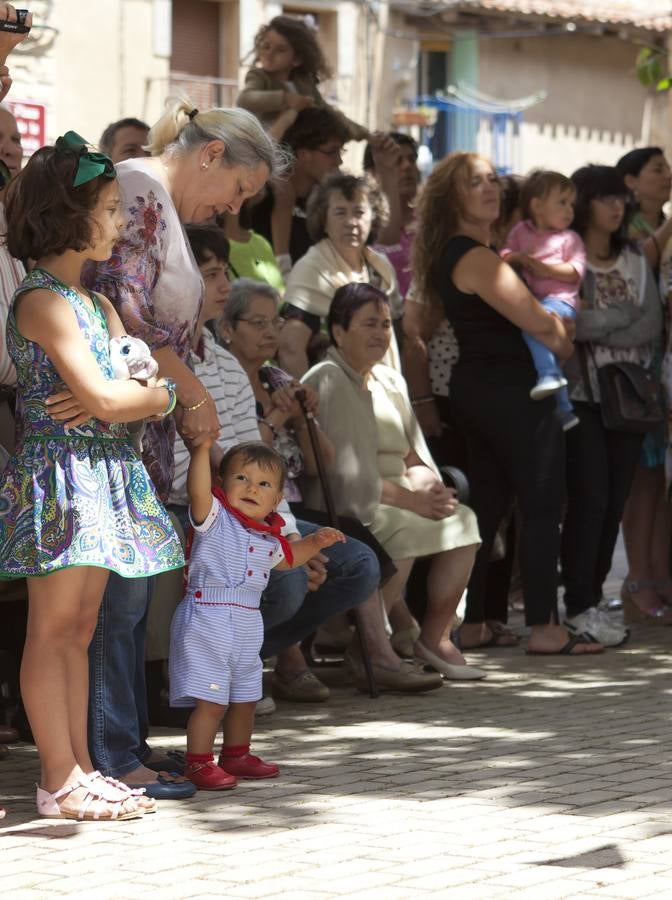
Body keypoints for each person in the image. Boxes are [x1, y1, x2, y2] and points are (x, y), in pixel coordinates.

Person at [83, 97, 287, 799]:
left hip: (143, 431)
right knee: (117, 599)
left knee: (129, 600)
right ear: (209, 155)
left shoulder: (155, 197)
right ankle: (111, 754)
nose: (234, 208)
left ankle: (125, 744)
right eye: (239, 188)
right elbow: (122, 306)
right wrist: (192, 393)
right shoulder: (139, 188)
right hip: (113, 430)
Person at [0, 133, 185, 820]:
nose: (118, 222)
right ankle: (58, 777)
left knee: (79, 626)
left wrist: (144, 396)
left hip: (100, 474)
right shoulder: (42, 302)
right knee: (51, 628)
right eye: (108, 208)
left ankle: (79, 767)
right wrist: (139, 397)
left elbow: (138, 394)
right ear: (67, 216)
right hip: (60, 478)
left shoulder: (99, 306)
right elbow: (116, 399)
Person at [169, 228, 440, 695]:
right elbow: (210, 471)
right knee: (292, 575)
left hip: (266, 508)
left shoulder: (254, 374)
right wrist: (277, 540)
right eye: (211, 275)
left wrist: (288, 532)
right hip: (207, 509)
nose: (223, 285)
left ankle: (246, 656)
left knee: (357, 561)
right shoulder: (169, 359)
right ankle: (229, 669)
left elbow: (305, 465)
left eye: (275, 322)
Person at [413, 151, 601, 656]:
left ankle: (476, 622)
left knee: (489, 507)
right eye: (476, 182)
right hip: (511, 393)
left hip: (482, 392)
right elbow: (540, 324)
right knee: (541, 506)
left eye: (494, 180)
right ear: (453, 196)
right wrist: (562, 338)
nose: (491, 188)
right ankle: (544, 627)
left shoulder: (471, 250)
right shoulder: (473, 256)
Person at [302, 283, 484, 679]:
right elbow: (346, 476)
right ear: (338, 331)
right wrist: (413, 502)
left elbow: (414, 455)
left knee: (463, 520)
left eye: (386, 324)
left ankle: (433, 637)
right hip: (351, 505)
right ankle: (371, 646)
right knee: (400, 530)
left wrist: (430, 490)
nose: (381, 333)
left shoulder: (390, 380)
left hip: (399, 496)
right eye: (369, 324)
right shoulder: (327, 377)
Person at [171, 440, 345, 790]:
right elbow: (198, 490)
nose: (252, 488)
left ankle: (237, 754)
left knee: (247, 694)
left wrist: (315, 543)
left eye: (264, 484)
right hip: (209, 616)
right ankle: (198, 762)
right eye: (241, 477)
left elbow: (287, 560)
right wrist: (201, 450)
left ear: (278, 498)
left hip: (248, 621)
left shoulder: (268, 535)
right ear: (221, 484)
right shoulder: (214, 517)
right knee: (212, 698)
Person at [561, 165, 666, 636]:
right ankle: (579, 601)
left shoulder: (633, 257)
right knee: (589, 498)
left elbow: (650, 325)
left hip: (630, 397)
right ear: (585, 202)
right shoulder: (566, 256)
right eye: (606, 197)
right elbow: (569, 325)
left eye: (619, 197)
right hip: (582, 395)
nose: (617, 205)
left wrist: (602, 320)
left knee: (614, 501)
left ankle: (596, 597)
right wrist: (616, 317)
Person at [615, 147, 672, 615]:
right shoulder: (627, 231)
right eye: (657, 170)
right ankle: (637, 582)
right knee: (642, 478)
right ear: (630, 181)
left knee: (657, 481)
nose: (668, 176)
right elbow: (638, 269)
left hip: (661, 362)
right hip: (636, 368)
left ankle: (655, 576)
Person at [279, 172, 401, 378]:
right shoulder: (311, 269)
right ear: (323, 221)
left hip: (383, 390)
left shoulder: (381, 268)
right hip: (335, 395)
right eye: (340, 212)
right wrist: (309, 404)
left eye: (359, 212)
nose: (351, 222)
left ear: (374, 217)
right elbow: (291, 348)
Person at [501, 170, 586, 431]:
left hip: (561, 300)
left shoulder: (569, 238)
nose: (569, 210)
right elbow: (503, 253)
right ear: (537, 206)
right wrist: (517, 258)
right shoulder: (520, 231)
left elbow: (577, 271)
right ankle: (564, 409)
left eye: (571, 204)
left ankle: (548, 376)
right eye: (562, 202)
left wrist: (548, 270)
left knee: (534, 329)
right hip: (538, 301)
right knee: (539, 336)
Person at [237, 15, 367, 142]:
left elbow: (327, 112)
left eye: (280, 50)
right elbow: (245, 99)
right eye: (266, 46)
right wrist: (286, 99)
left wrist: (364, 133)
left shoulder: (304, 83)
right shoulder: (258, 76)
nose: (270, 54)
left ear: (297, 59)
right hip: (268, 150)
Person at [249, 106, 351, 269]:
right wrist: (288, 116)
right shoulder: (264, 195)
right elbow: (253, 163)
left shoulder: (325, 203)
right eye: (332, 152)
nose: (339, 161)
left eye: (340, 152)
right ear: (303, 154)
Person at [364, 132, 420, 302]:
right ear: (373, 173)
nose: (407, 166)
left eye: (412, 159)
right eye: (397, 161)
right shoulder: (362, 225)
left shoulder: (433, 222)